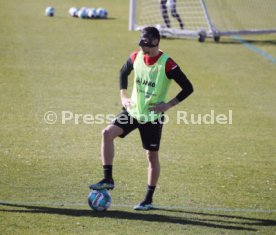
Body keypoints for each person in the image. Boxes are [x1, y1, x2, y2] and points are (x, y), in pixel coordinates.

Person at [90, 26, 193, 210]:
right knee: (107, 133)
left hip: (152, 117)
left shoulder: (167, 64)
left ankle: (148, 199)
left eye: (145, 43)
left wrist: (168, 105)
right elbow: (123, 72)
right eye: (141, 43)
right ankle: (108, 179)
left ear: (155, 42)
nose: (142, 47)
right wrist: (123, 95)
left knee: (151, 156)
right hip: (133, 112)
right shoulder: (136, 57)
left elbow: (188, 87)